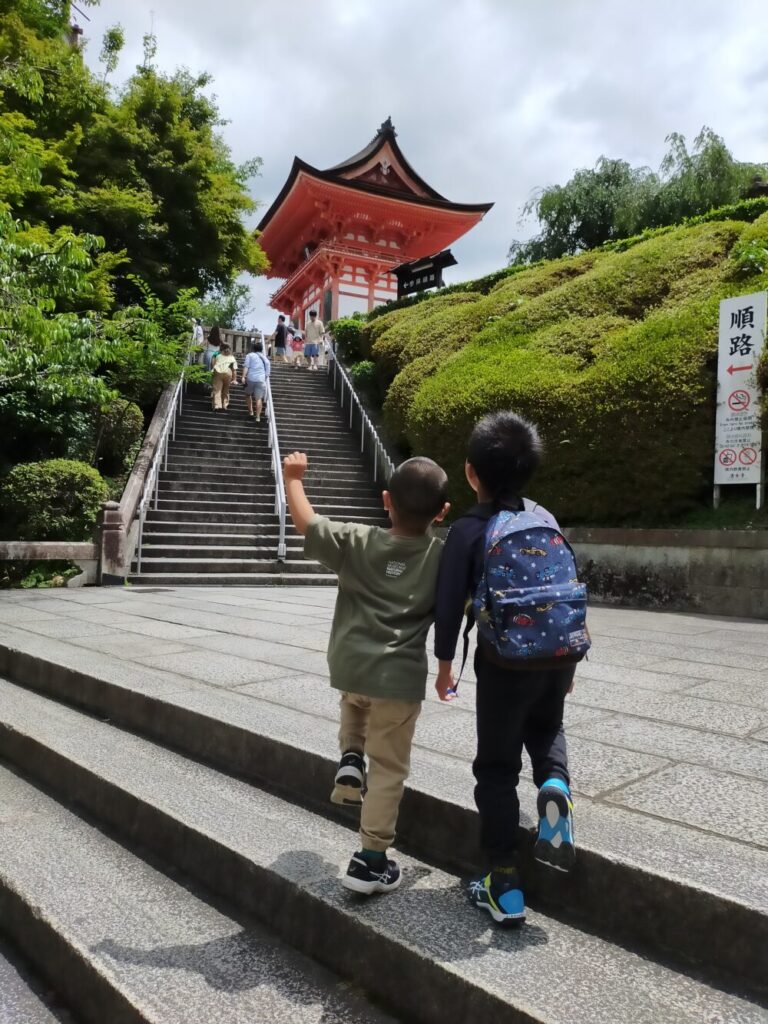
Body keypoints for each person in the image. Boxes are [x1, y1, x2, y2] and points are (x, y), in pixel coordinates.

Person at [433, 411, 579, 926]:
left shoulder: (469, 530)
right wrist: (571, 657)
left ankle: (503, 883)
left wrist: (445, 663)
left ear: (472, 473)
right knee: (548, 726)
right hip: (557, 655)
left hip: (503, 662)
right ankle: (555, 786)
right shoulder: (545, 518)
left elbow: (449, 603)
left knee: (495, 767)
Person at [283, 451, 449, 895]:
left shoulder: (357, 540)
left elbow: (308, 524)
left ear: (385, 501)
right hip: (397, 679)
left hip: (350, 667)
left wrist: (294, 477)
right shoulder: (442, 559)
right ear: (442, 511)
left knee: (354, 703)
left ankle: (351, 757)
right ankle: (371, 860)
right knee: (389, 768)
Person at [242, 339, 270, 421]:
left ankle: (251, 412)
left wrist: (243, 376)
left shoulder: (249, 355)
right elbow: (267, 371)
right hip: (261, 380)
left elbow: (246, 366)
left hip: (250, 378)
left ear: (253, 349)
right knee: (258, 399)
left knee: (248, 394)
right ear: (261, 349)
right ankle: (258, 417)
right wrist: (264, 378)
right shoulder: (265, 359)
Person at [210, 342, 238, 412]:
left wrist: (213, 372)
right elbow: (234, 369)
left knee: (217, 389)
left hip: (218, 372)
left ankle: (217, 405)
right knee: (226, 390)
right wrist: (234, 379)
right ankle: (224, 405)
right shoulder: (232, 357)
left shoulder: (217, 354)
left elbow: (213, 364)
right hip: (228, 372)